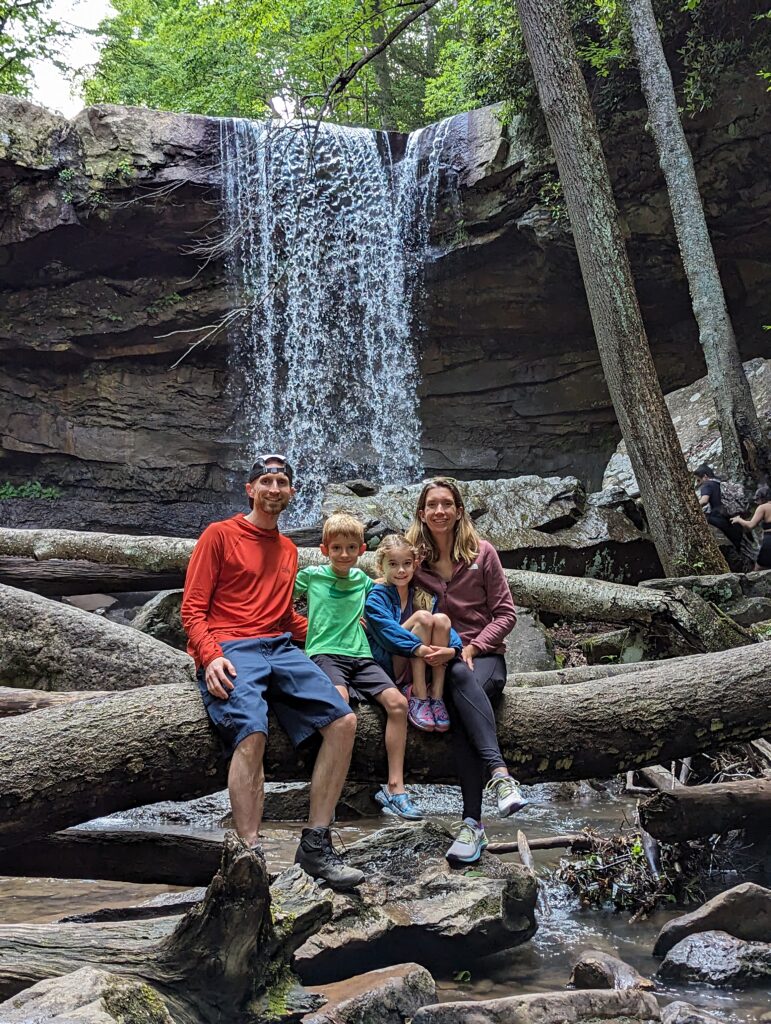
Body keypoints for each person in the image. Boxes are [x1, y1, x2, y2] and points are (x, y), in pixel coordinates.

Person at [180, 454, 364, 889]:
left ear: (291, 493)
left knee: (344, 722)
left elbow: (284, 619)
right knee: (253, 730)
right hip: (231, 646)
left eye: (282, 482)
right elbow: (192, 609)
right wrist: (209, 656)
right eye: (266, 480)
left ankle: (316, 846)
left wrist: (341, 632)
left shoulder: (287, 551)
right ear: (250, 489)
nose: (274, 488)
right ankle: (250, 854)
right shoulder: (218, 535)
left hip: (278, 647)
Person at [405, 477, 528, 865]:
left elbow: (506, 614)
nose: (440, 511)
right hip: (434, 662)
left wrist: (472, 646)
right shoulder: (415, 563)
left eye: (447, 504)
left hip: (483, 657)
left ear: (459, 511)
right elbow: (395, 605)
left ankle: (473, 820)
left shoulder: (483, 553)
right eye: (432, 505)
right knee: (456, 686)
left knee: (460, 677)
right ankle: (496, 784)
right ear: (422, 514)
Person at [294, 513, 422, 820]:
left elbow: (388, 597)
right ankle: (336, 782)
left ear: (361, 550)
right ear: (324, 549)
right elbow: (277, 599)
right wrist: (304, 630)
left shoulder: (365, 582)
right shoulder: (311, 575)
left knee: (398, 704)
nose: (343, 554)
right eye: (336, 548)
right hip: (324, 653)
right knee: (340, 702)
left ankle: (396, 786)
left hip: (361, 656)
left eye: (350, 548)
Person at [365, 533, 461, 733]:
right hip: (392, 665)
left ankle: (436, 696)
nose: (401, 570)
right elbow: (388, 633)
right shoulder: (376, 598)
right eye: (393, 564)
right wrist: (422, 649)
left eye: (407, 563)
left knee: (441, 619)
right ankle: (419, 696)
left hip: (424, 660)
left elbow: (442, 627)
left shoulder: (418, 594)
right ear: (380, 566)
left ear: (415, 564)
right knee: (423, 617)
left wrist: (453, 649)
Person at [693, 465, 743, 551]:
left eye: (698, 480)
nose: (697, 483)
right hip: (729, 514)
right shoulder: (719, 482)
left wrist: (692, 507)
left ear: (705, 476)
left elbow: (704, 501)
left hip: (718, 516)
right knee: (739, 543)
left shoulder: (707, 484)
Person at [731, 484, 771, 570]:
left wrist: (739, 520)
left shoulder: (763, 507)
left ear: (762, 498)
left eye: (757, 500)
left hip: (769, 540)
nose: (756, 502)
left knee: (758, 568)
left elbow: (751, 525)